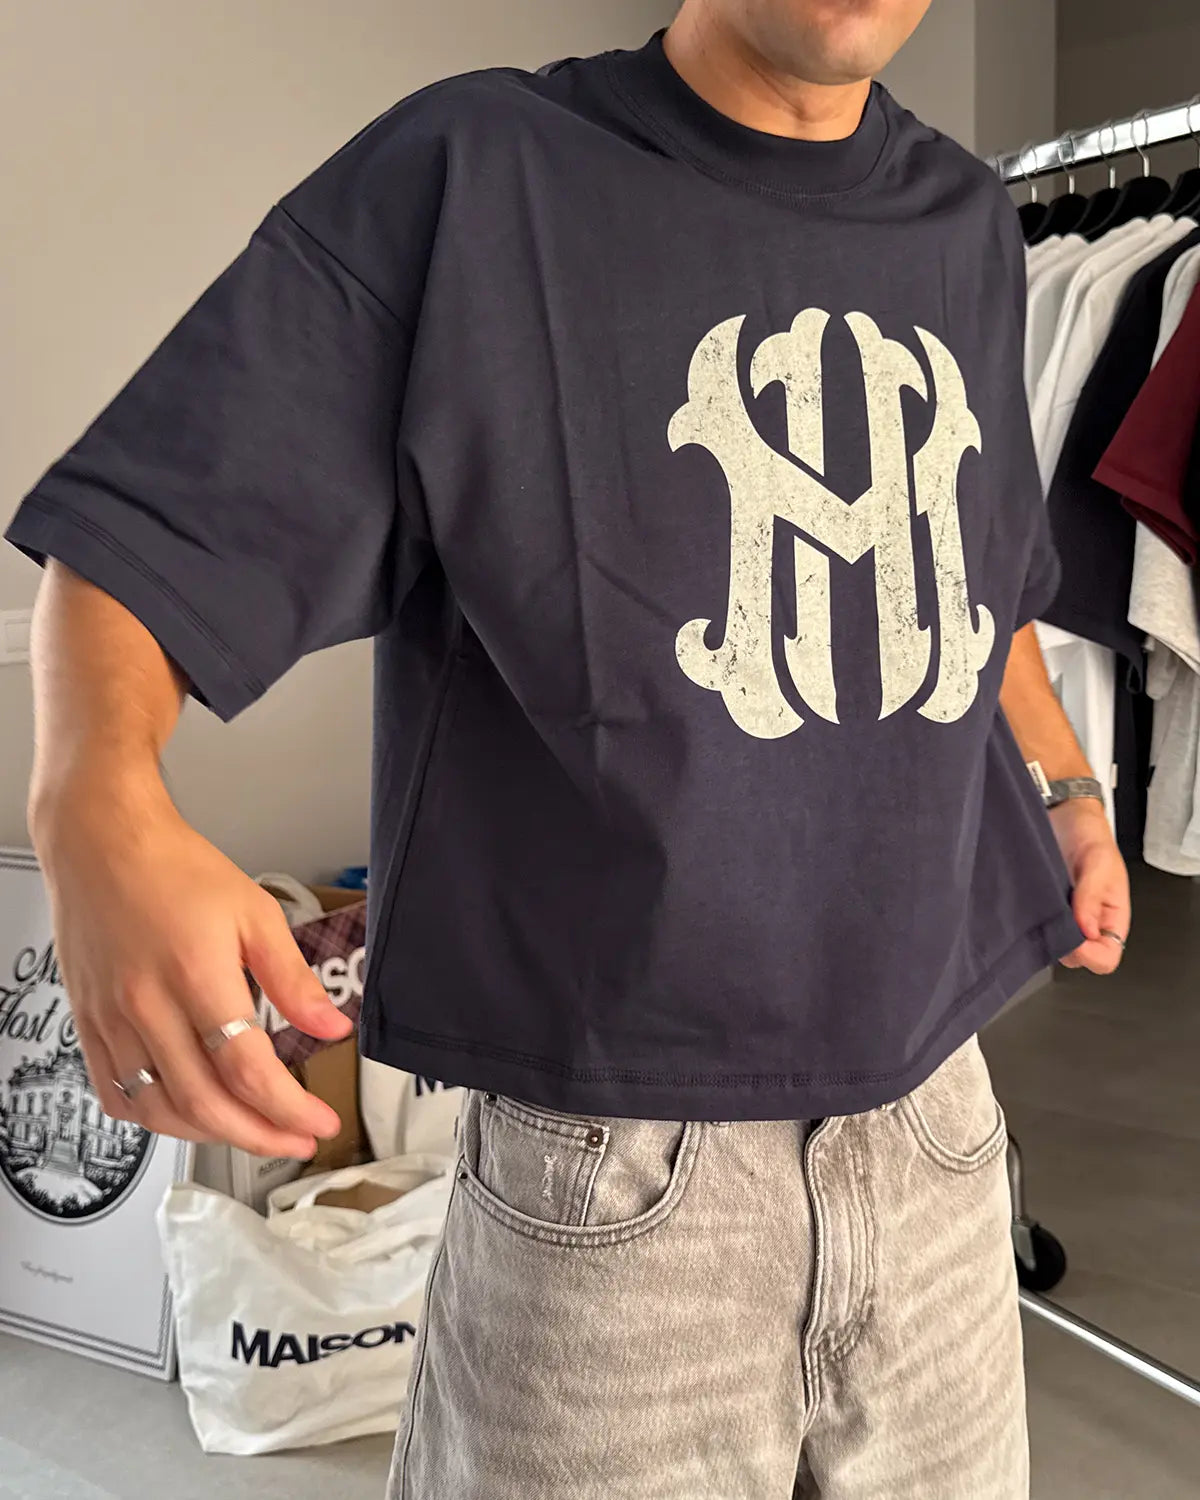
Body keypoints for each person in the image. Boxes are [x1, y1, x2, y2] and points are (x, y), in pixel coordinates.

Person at [6, 2, 1131, 1496]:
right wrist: (96, 800)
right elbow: (148, 541)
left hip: (938, 1124)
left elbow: (979, 585)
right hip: (616, 1178)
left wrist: (1065, 787)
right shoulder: (477, 174)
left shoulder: (968, 221)